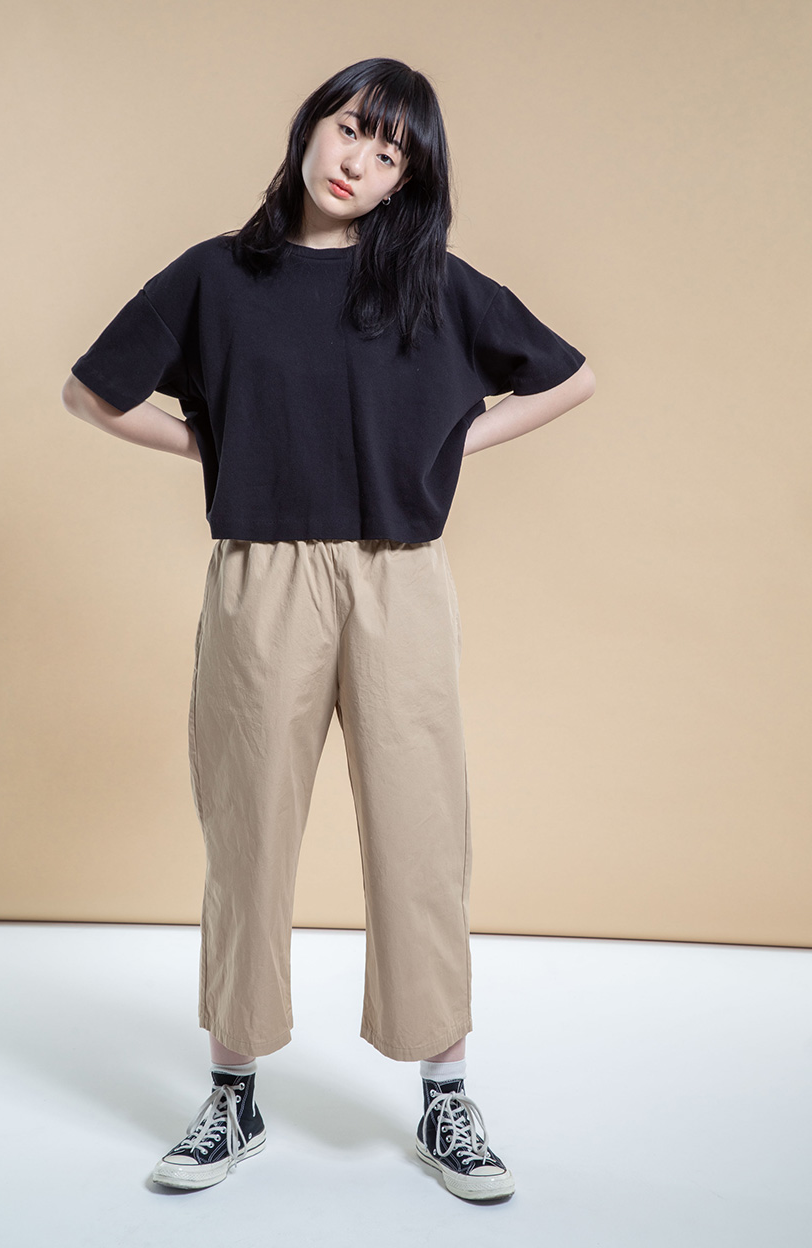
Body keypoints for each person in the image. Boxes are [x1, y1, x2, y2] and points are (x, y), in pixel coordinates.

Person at [62, 56, 595, 1203]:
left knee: (422, 833)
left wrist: (446, 448)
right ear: (312, 126)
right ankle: (233, 1095)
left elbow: (569, 379)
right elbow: (91, 393)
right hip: (262, 576)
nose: (360, 161)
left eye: (390, 153)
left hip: (401, 578)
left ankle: (445, 1094)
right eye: (352, 128)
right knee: (247, 831)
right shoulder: (216, 276)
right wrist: (220, 451)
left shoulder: (430, 285)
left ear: (408, 180)